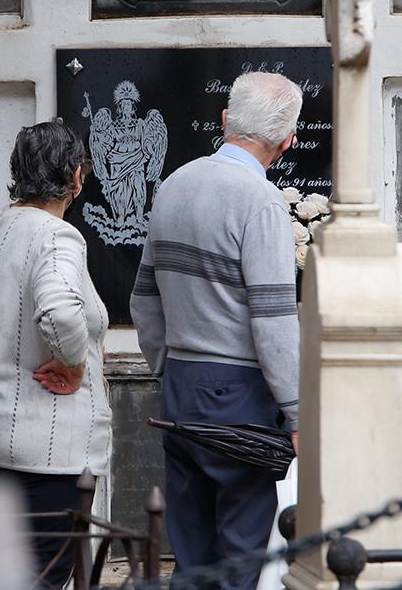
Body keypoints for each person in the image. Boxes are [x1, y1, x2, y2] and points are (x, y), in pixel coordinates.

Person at [130, 72, 303, 589]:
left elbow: (144, 298)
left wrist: (168, 366)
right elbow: (273, 320)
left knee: (190, 549)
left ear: (226, 121)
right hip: (241, 396)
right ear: (287, 140)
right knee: (241, 552)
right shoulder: (262, 203)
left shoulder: (172, 186)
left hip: (181, 383)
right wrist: (295, 410)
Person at [0, 120, 112, 588]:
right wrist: (74, 365)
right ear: (77, 177)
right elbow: (61, 312)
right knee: (41, 575)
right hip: (44, 445)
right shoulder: (56, 236)